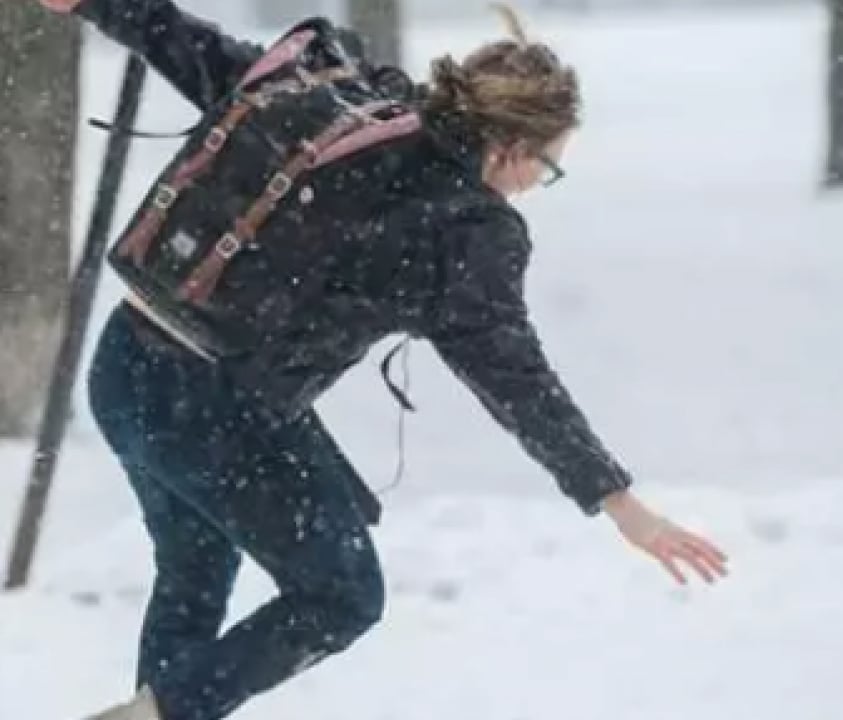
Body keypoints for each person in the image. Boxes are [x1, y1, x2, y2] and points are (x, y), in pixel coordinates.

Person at [38, 1, 729, 718]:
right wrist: (619, 502)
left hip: (125, 370)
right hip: (207, 406)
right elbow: (516, 377)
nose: (534, 186)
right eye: (547, 168)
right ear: (512, 148)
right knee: (341, 592)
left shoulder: (340, 101)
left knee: (195, 567)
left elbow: (198, 52)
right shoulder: (464, 227)